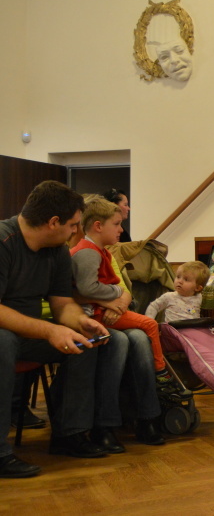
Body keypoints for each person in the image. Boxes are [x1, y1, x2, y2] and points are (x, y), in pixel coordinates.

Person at [1, 181, 110, 478]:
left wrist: (80, 322)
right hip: (5, 334)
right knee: (4, 342)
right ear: (53, 222)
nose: (76, 231)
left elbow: (62, 304)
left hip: (28, 335)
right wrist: (50, 331)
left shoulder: (57, 251)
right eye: (73, 225)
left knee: (85, 343)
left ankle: (69, 434)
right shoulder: (4, 241)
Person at [70, 198, 186, 400]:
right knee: (150, 324)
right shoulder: (88, 252)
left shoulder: (99, 251)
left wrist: (119, 298)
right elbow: (87, 288)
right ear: (98, 226)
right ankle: (160, 373)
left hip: (101, 310)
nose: (121, 230)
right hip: (94, 315)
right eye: (116, 224)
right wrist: (116, 292)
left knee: (143, 330)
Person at [144, 261, 210, 323]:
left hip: (192, 328)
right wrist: (150, 322)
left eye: (186, 279)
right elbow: (154, 306)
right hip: (172, 329)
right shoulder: (169, 296)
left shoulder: (198, 297)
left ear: (197, 288)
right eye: (178, 277)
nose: (180, 281)